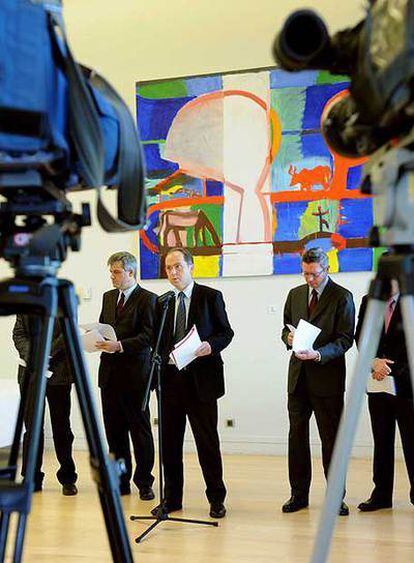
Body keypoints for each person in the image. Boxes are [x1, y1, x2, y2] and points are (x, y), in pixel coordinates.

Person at [151, 247, 234, 519]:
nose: (173, 273)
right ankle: (172, 499)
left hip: (202, 383)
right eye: (168, 269)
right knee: (170, 446)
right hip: (170, 383)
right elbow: (156, 342)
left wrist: (210, 345)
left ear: (190, 267)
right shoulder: (162, 302)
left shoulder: (210, 297)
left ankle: (216, 499)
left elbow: (226, 332)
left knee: (207, 444)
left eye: (178, 267)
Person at [281, 247, 355, 515]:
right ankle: (298, 495)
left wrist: (320, 354)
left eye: (314, 274)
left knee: (331, 440)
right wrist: (287, 339)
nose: (309, 280)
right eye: (305, 274)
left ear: (327, 269)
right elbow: (285, 328)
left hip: (327, 379)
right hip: (298, 378)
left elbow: (346, 339)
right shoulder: (295, 294)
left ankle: (336, 497)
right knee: (297, 438)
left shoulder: (342, 297)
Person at [96, 251, 156, 500]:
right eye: (111, 272)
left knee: (140, 432)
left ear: (131, 272)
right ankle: (121, 481)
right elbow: (102, 326)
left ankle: (144, 482)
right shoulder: (108, 297)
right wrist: (95, 339)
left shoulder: (148, 299)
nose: (112, 276)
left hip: (135, 376)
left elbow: (149, 336)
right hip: (109, 374)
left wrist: (120, 345)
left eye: (117, 272)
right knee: (114, 433)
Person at [355, 280, 414, 511]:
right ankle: (381, 495)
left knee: (411, 441)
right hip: (378, 384)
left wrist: (389, 367)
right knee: (382, 440)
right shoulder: (369, 301)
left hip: (406, 383)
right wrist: (374, 362)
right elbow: (361, 336)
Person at [13, 315, 78, 495]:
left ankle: (68, 477)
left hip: (59, 373)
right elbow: (18, 333)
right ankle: (31, 478)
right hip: (30, 372)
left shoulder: (62, 298)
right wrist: (33, 354)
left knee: (62, 427)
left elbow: (67, 332)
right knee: (32, 428)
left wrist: (45, 353)